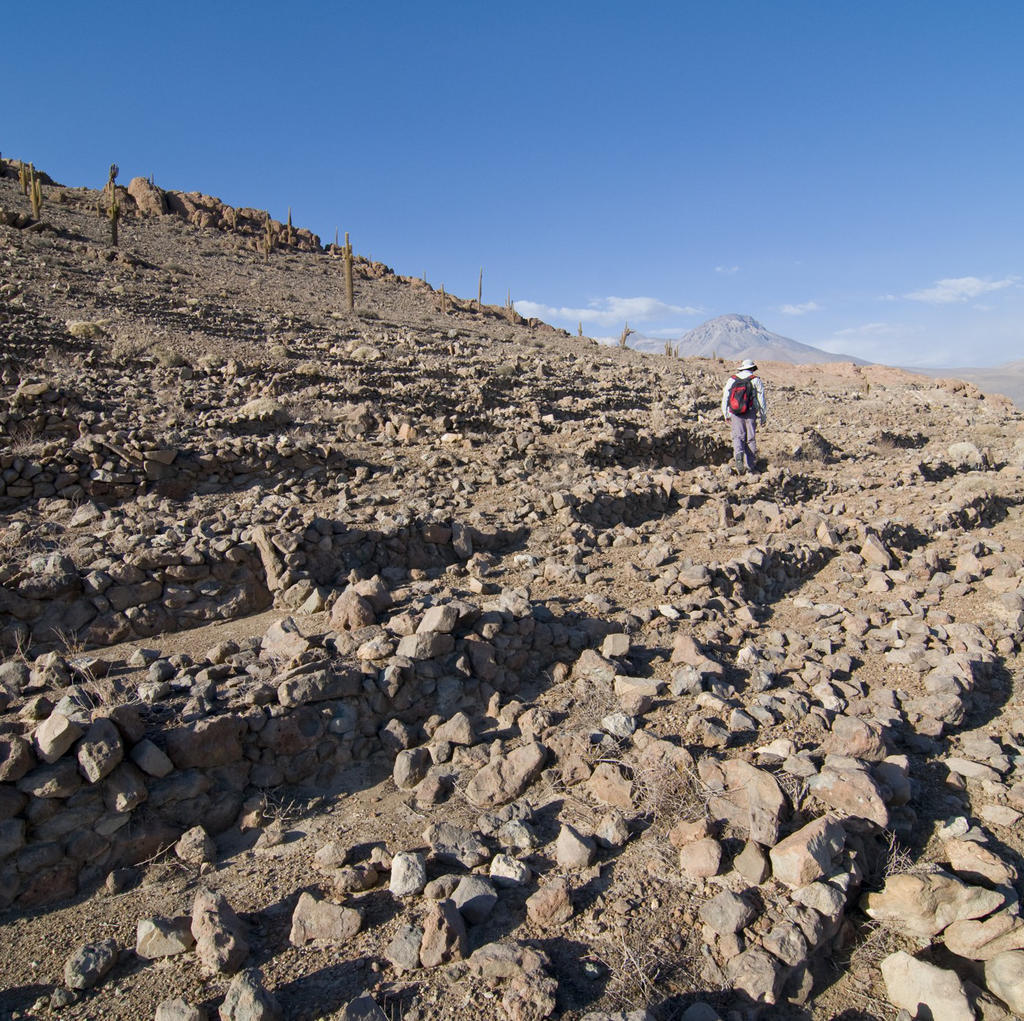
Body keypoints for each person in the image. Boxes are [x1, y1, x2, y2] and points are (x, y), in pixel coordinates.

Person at [721, 358, 767, 475]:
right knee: (750, 438)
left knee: (738, 436)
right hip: (750, 412)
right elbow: (761, 399)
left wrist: (725, 412)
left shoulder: (732, 379)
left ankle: (739, 456)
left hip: (735, 412)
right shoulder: (755, 380)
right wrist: (763, 415)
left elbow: (726, 396)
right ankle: (750, 465)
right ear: (752, 368)